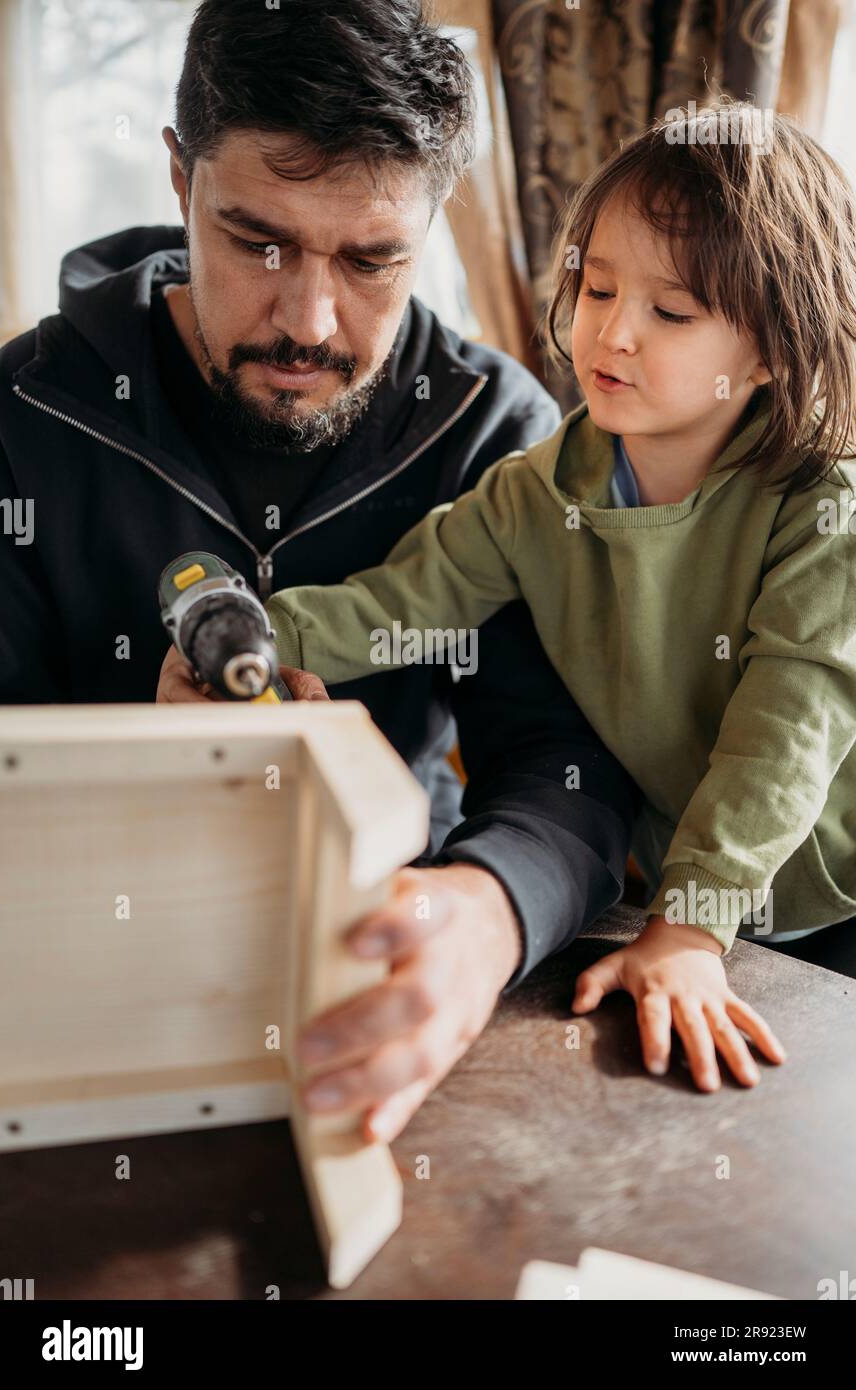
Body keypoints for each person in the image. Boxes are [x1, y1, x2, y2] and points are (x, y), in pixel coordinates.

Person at [0, 0, 637, 1142]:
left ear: (435, 225)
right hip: (77, 1004)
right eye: (259, 241)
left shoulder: (498, 438)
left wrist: (484, 916)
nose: (310, 319)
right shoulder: (21, 414)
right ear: (179, 176)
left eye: (373, 258)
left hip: (385, 974)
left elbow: (568, 764)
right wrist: (134, 758)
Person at [261, 103, 856, 1092]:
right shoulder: (532, 493)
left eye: (671, 313)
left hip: (829, 884)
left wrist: (691, 925)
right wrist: (258, 638)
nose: (611, 334)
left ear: (771, 352)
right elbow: (404, 599)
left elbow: (784, 730)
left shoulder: (823, 506)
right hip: (689, 896)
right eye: (596, 284)